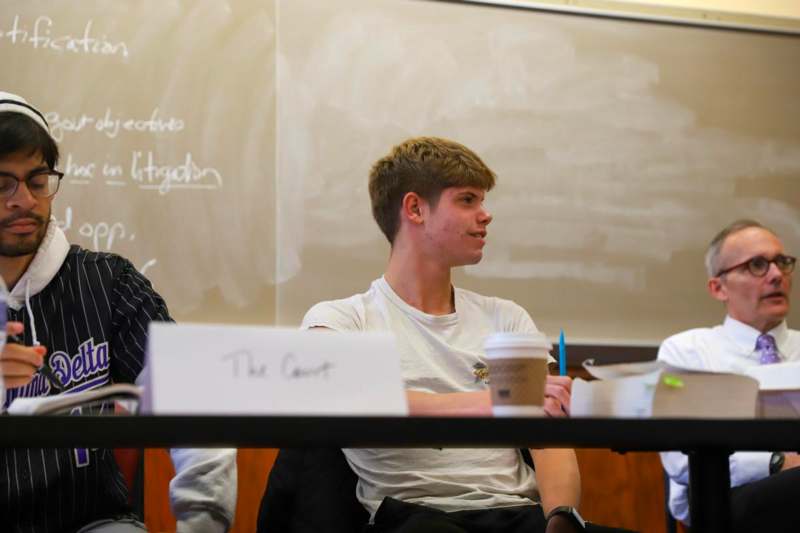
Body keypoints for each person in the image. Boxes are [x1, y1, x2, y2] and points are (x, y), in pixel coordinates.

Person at [302, 137, 628, 533]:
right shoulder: (340, 319)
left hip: (518, 513)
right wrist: (492, 401)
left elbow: (548, 438)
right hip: (417, 517)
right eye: (468, 200)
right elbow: (348, 397)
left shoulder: (505, 317)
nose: (486, 215)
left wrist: (559, 517)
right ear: (415, 208)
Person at [0, 92, 237, 533]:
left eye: (37, 180)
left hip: (91, 520)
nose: (24, 201)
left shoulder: (109, 283)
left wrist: (205, 518)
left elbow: (191, 397)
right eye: (2, 184)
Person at [659, 219, 799, 531]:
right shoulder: (687, 352)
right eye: (757, 265)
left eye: (783, 262)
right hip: (722, 499)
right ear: (718, 287)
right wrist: (776, 462)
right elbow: (680, 462)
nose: (776, 275)